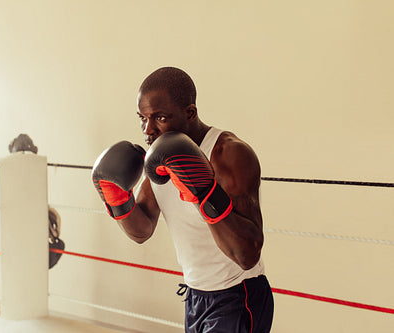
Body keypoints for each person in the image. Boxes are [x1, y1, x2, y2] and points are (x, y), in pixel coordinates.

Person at [92, 67, 273, 332]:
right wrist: (118, 199)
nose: (148, 129)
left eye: (160, 118)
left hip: (238, 295)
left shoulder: (228, 154)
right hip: (196, 297)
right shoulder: (161, 160)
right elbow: (142, 230)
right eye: (142, 118)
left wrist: (204, 193)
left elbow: (247, 255)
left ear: (190, 113)